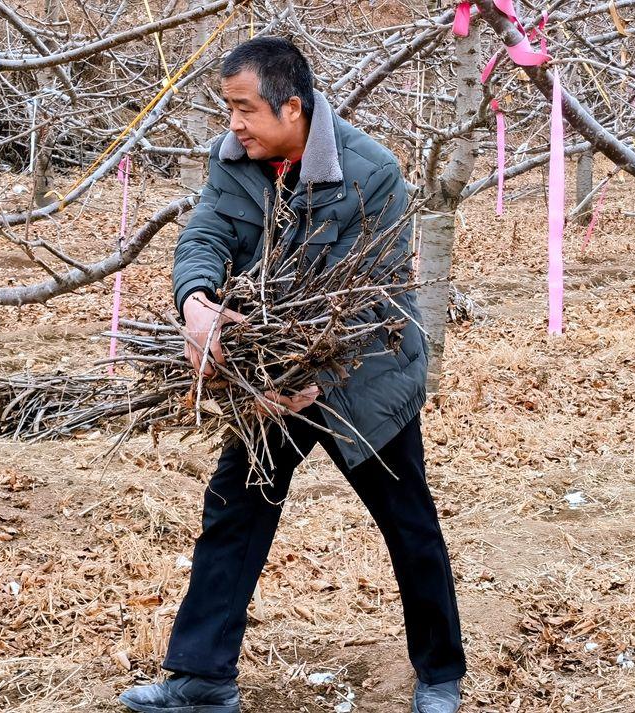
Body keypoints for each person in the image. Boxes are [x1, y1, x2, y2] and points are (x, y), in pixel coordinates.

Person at [119, 37, 466, 713]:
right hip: (270, 376)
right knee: (235, 508)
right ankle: (202, 677)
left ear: (293, 108)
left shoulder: (372, 173)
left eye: (245, 109)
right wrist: (197, 304)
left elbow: (364, 295)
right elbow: (205, 236)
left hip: (364, 375)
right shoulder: (232, 160)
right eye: (228, 109)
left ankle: (440, 674)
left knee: (408, 522)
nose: (234, 124)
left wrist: (300, 370)